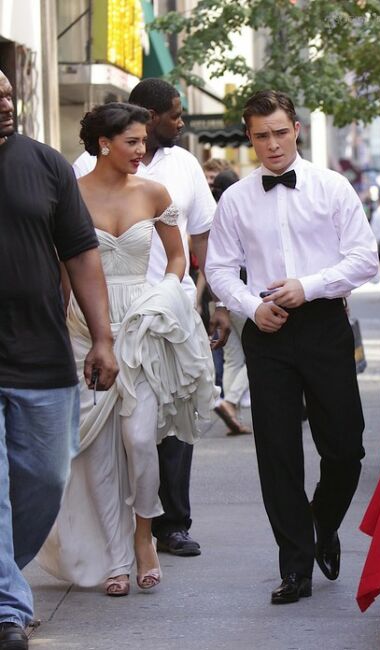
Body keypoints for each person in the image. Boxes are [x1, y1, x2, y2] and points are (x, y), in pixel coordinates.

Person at [206, 90, 379, 605]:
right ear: (250, 137)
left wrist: (310, 284)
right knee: (277, 452)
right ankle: (295, 566)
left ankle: (322, 521)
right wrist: (248, 306)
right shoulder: (236, 199)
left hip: (324, 323)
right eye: (262, 136)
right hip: (267, 330)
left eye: (280, 132)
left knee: (345, 447)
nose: (273, 144)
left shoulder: (332, 187)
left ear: (296, 129)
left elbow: (364, 259)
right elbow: (219, 268)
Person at [38, 102, 217, 596]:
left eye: (143, 141)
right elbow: (63, 274)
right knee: (96, 454)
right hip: (84, 329)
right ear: (104, 144)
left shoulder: (153, 192)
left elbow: (178, 256)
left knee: (139, 442)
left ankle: (144, 535)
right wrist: (57, 332)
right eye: (132, 141)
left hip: (142, 327)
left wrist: (165, 294)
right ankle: (116, 557)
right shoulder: (69, 195)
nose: (142, 150)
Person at [72, 78, 230, 558]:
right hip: (90, 320)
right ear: (106, 143)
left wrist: (202, 299)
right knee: (102, 443)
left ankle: (165, 527)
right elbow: (65, 261)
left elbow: (196, 241)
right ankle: (115, 544)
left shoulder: (176, 173)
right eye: (174, 114)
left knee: (158, 429)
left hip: (157, 316)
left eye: (143, 141)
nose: (180, 123)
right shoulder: (75, 180)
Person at [0, 70, 118, 650]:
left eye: (7, 92)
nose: (5, 102)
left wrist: (103, 338)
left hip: (41, 354)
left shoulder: (47, 165)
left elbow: (81, 255)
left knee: (45, 480)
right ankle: (7, 609)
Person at [211, 170, 252, 436]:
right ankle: (231, 401)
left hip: (220, 296)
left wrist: (217, 304)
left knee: (233, 357)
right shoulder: (239, 211)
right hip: (243, 293)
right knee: (255, 354)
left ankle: (232, 412)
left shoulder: (211, 214)